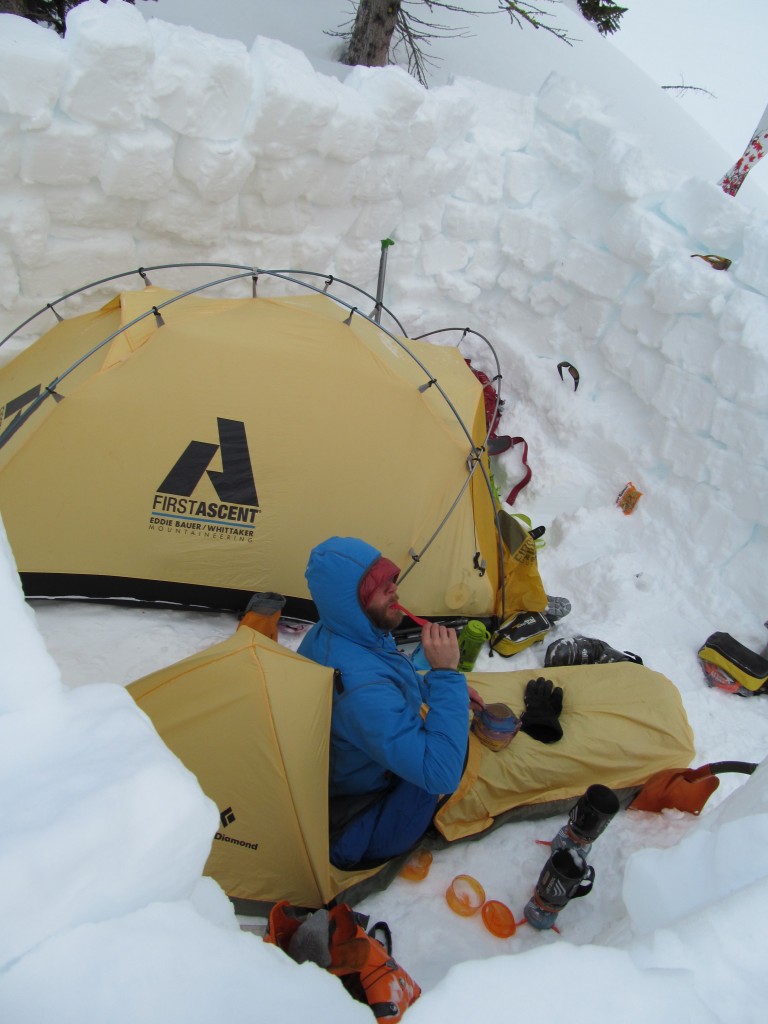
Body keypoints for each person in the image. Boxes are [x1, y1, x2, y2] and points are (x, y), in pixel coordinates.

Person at [298, 535, 471, 870]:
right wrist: (447, 677)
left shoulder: (337, 633)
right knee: (452, 758)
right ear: (352, 603)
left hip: (350, 766)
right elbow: (439, 774)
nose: (393, 588)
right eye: (379, 586)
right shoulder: (361, 690)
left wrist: (433, 688)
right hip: (361, 810)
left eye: (391, 577)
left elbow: (386, 673)